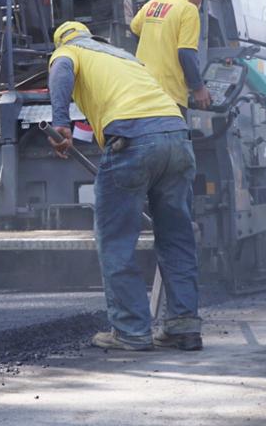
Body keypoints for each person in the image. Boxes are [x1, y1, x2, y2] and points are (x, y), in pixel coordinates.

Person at [48, 21, 201, 351]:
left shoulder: (67, 51)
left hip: (132, 142)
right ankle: (183, 326)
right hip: (176, 137)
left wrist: (61, 123)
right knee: (177, 237)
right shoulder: (123, 56)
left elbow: (61, 70)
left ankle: (131, 331)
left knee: (117, 240)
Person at [130, 0, 213, 112]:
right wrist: (198, 88)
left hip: (142, 88)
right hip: (168, 94)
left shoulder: (153, 3)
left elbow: (135, 28)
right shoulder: (189, 9)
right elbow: (186, 52)